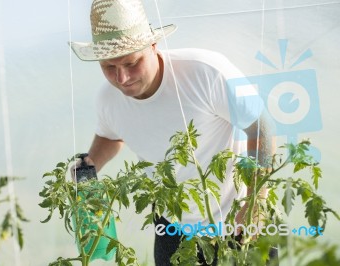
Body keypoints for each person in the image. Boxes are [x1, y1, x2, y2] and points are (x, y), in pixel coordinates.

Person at [70, 0, 276, 265]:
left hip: (238, 219)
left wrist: (256, 201)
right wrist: (88, 168)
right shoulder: (108, 98)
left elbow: (260, 126)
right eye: (109, 67)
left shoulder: (205, 72)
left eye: (131, 63)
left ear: (153, 47)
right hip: (172, 228)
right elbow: (111, 134)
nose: (122, 78)